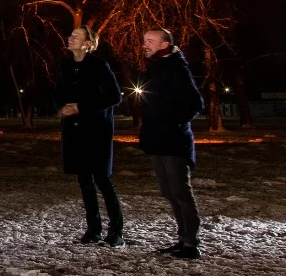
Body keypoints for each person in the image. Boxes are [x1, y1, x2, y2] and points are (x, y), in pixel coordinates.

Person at [138, 27, 205, 259]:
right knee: (169, 191)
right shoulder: (155, 67)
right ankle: (182, 238)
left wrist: (173, 123)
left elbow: (195, 103)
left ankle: (191, 243)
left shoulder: (176, 68)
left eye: (150, 41)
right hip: (159, 140)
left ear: (165, 45)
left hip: (174, 141)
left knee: (180, 192)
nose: (145, 44)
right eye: (144, 40)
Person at [53, 26, 124, 246]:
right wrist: (62, 108)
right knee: (84, 180)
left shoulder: (99, 66)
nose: (70, 37)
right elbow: (56, 91)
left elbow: (114, 96)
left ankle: (116, 231)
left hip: (97, 130)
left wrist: (81, 107)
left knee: (102, 179)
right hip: (74, 131)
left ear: (88, 43)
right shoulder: (64, 65)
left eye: (76, 36)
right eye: (70, 34)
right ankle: (93, 229)